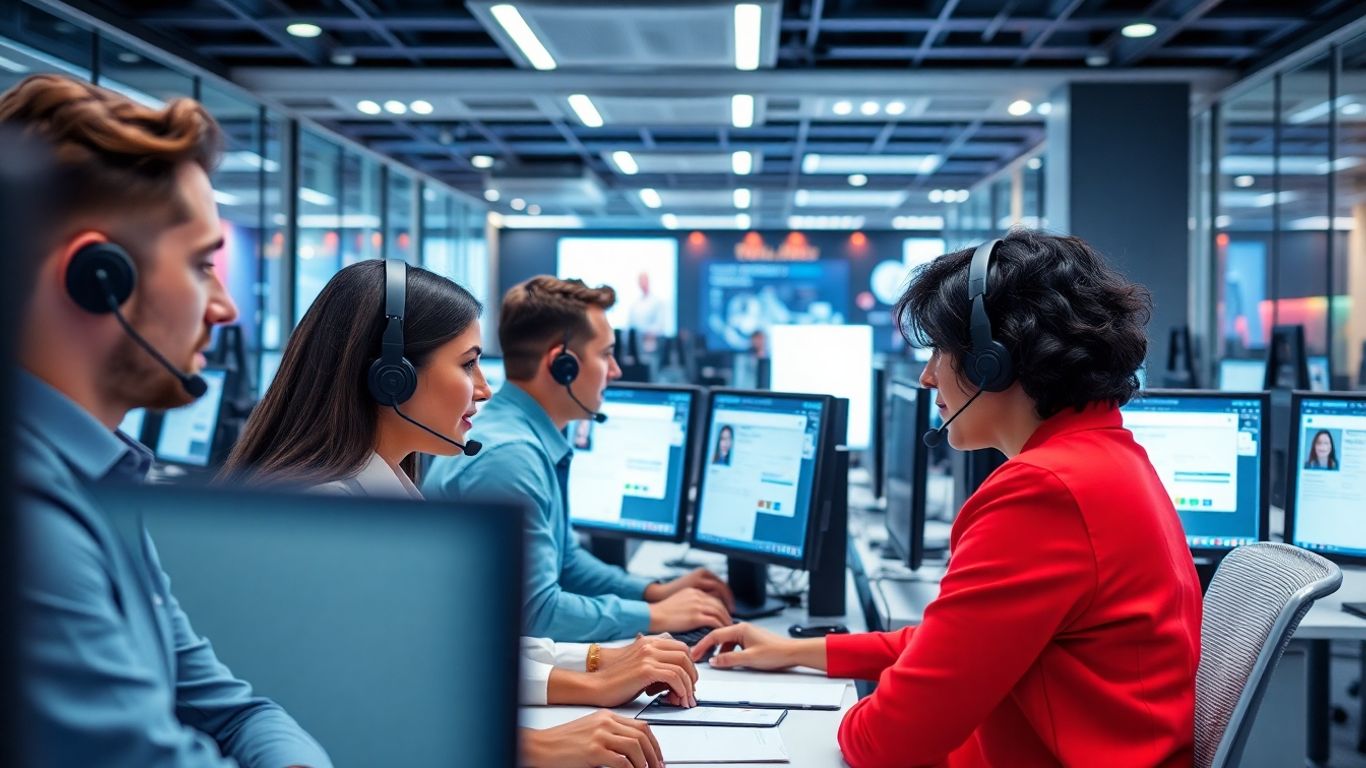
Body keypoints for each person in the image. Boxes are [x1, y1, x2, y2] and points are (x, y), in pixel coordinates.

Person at [690, 231, 1202, 768]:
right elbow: (959, 645)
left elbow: (888, 742)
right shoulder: (1106, 460)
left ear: (992, 362)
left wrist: (816, 719)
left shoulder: (1044, 493)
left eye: (940, 350)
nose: (927, 375)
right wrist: (797, 653)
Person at [222, 261, 695, 767]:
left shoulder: (384, 491)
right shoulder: (322, 515)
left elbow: (437, 657)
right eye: (468, 363)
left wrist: (594, 663)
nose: (485, 388)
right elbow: (329, 714)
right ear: (391, 378)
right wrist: (528, 746)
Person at [4, 74, 332, 766]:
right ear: (97, 277)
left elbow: (234, 710)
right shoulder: (29, 518)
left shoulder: (95, 480)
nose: (225, 307)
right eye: (202, 265)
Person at [424, 276, 734, 642]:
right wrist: (653, 615)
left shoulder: (526, 436)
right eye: (606, 354)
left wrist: (653, 592)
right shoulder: (510, 457)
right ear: (562, 365)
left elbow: (565, 561)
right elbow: (535, 613)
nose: (616, 370)